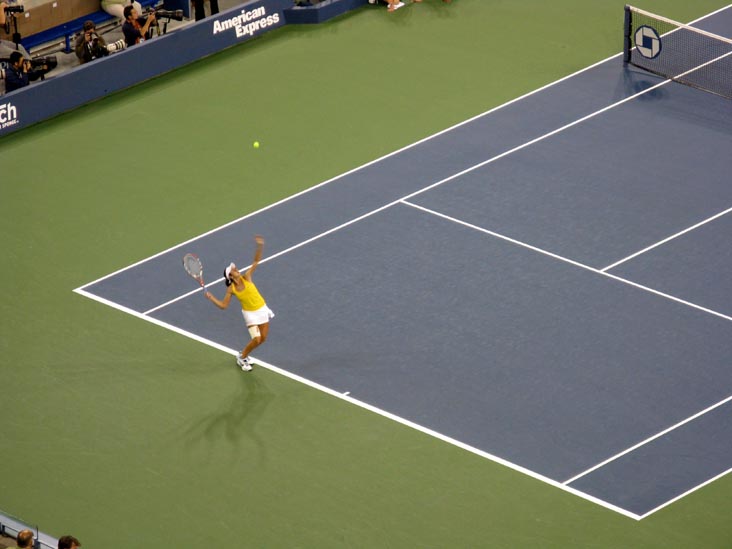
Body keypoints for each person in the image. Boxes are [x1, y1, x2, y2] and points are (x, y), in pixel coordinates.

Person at [204, 235, 274, 372]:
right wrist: (211, 298)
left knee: (263, 339)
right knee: (256, 338)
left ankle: (244, 355)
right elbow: (224, 306)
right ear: (230, 276)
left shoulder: (247, 277)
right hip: (250, 314)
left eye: (235, 268)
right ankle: (241, 357)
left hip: (261, 309)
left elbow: (256, 261)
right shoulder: (232, 289)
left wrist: (259, 246)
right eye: (233, 270)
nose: (236, 269)